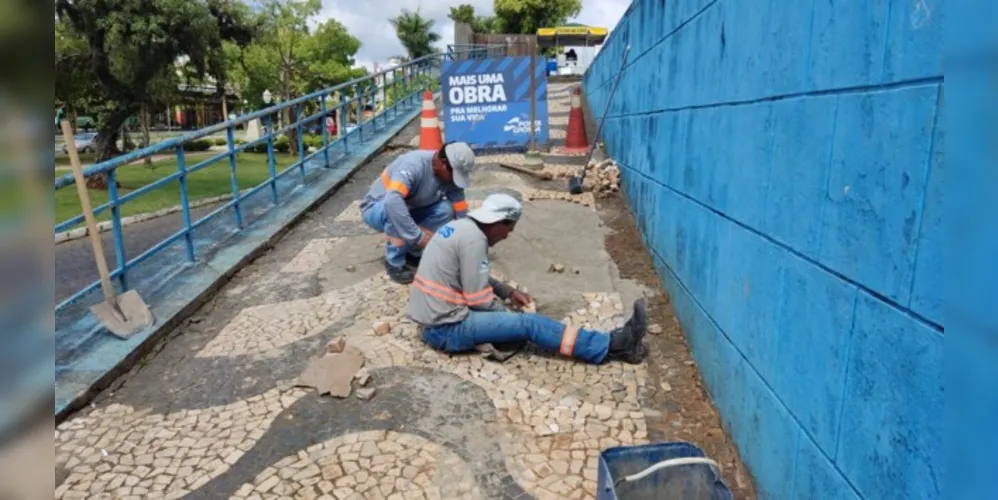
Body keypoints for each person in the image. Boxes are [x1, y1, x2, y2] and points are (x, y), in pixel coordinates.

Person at [406, 194, 648, 364]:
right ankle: (614, 345)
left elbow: (469, 274)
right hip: (446, 329)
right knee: (529, 324)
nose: (506, 237)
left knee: (520, 323)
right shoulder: (474, 240)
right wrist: (509, 318)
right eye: (508, 230)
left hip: (432, 322)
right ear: (500, 223)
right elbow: (478, 299)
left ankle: (611, 343)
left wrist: (507, 291)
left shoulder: (461, 228)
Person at [360, 141, 478, 284]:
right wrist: (419, 237)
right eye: (454, 174)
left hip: (411, 207)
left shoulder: (448, 174)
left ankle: (412, 253)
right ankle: (394, 262)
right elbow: (392, 200)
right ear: (442, 162)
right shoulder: (414, 165)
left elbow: (459, 204)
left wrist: (466, 235)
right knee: (396, 210)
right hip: (377, 208)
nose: (454, 180)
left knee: (445, 209)